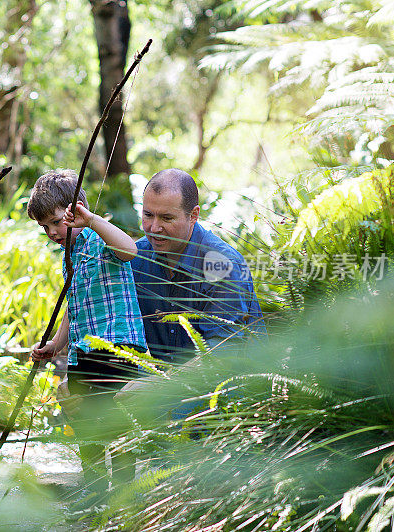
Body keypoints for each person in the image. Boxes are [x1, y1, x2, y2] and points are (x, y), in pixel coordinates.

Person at [27, 169, 147, 499]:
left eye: (56, 222)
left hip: (118, 345)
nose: (52, 232)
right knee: (85, 419)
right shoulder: (68, 257)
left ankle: (123, 492)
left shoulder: (101, 239)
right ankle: (93, 489)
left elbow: (130, 250)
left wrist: (90, 220)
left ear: (76, 210)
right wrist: (56, 344)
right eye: (45, 228)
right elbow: (74, 305)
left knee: (119, 417)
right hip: (83, 349)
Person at [130, 168, 265, 365]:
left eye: (167, 218)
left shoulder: (221, 264)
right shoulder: (136, 257)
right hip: (170, 389)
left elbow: (223, 355)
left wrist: (159, 384)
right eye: (148, 215)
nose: (154, 228)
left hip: (234, 388)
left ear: (193, 215)